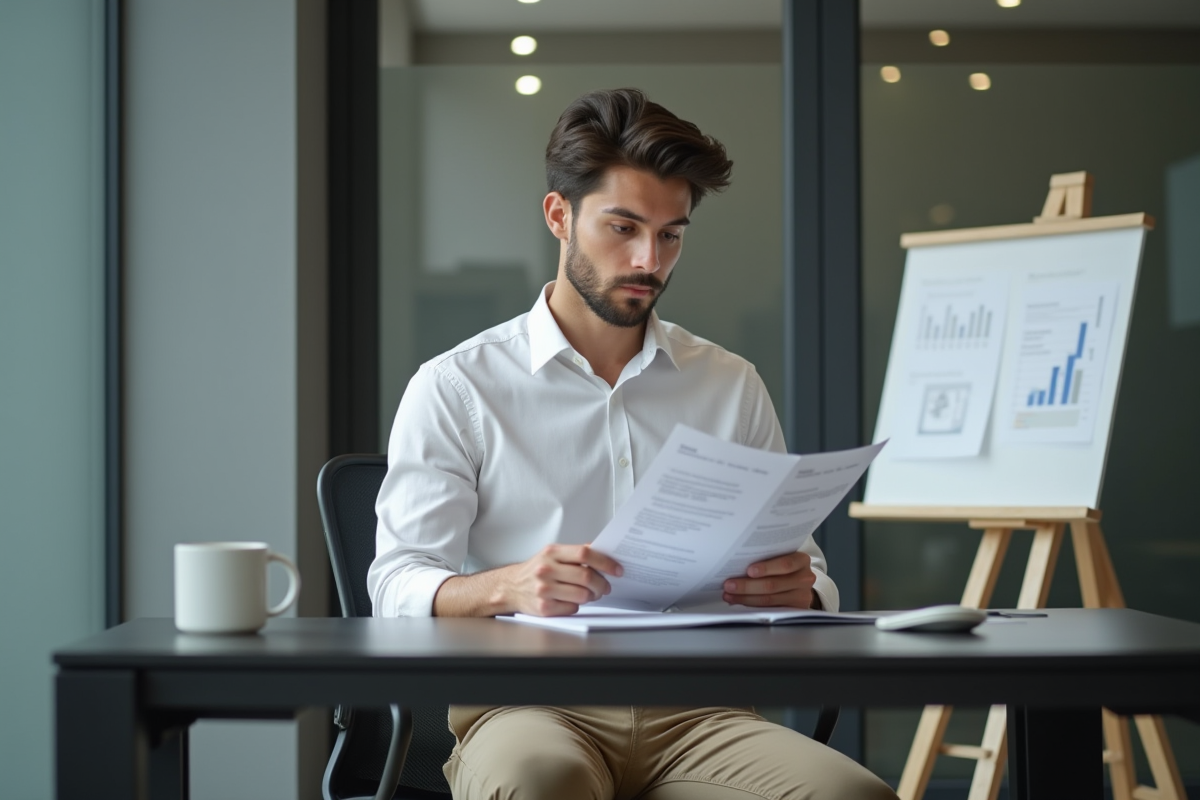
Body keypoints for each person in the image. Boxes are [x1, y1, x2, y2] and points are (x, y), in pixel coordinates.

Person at [369, 88, 897, 800]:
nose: (649, 259)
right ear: (560, 215)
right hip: (530, 707)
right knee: (541, 785)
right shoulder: (458, 387)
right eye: (623, 227)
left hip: (702, 713)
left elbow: (807, 569)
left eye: (671, 234)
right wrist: (508, 585)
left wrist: (806, 588)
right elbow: (395, 581)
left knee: (852, 795)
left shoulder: (729, 384)